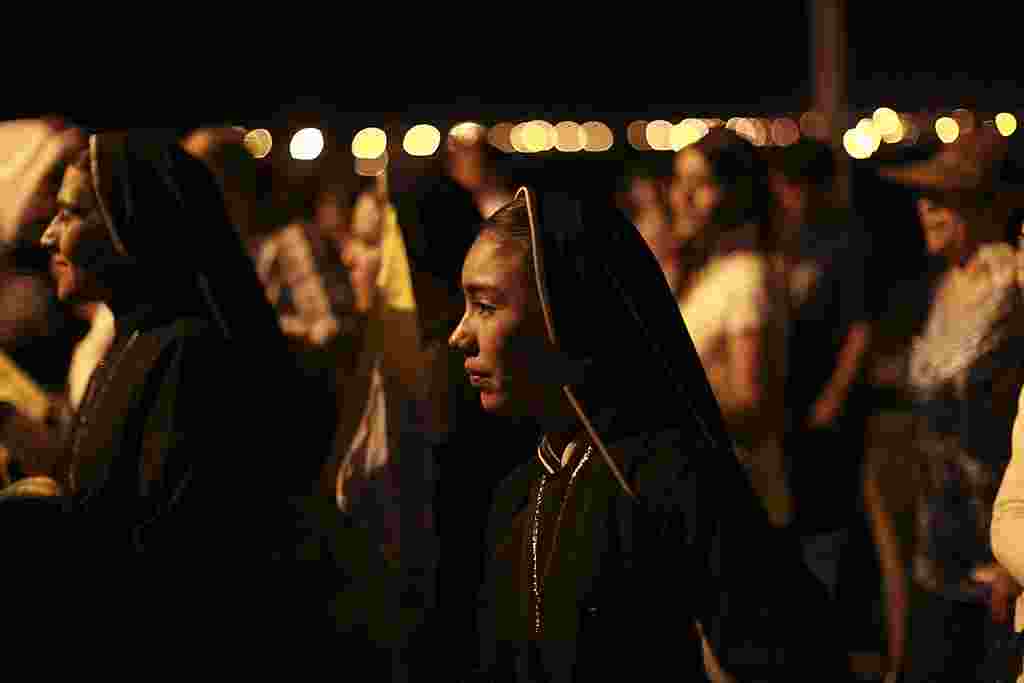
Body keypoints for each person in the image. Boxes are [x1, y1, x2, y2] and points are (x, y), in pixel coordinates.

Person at [452, 185, 848, 681]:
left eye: (485, 306)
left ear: (565, 313)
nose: (460, 334)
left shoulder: (668, 482)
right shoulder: (516, 495)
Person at [0, 129, 339, 655]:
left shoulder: (192, 360)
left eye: (70, 215)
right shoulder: (134, 339)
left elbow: (168, 564)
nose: (47, 236)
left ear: (129, 225)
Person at [878, 124, 1024, 682]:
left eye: (944, 195)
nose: (926, 208)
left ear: (990, 204)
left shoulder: (1014, 291)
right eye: (923, 195)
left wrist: (1015, 564)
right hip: (936, 546)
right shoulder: (943, 287)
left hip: (994, 564)